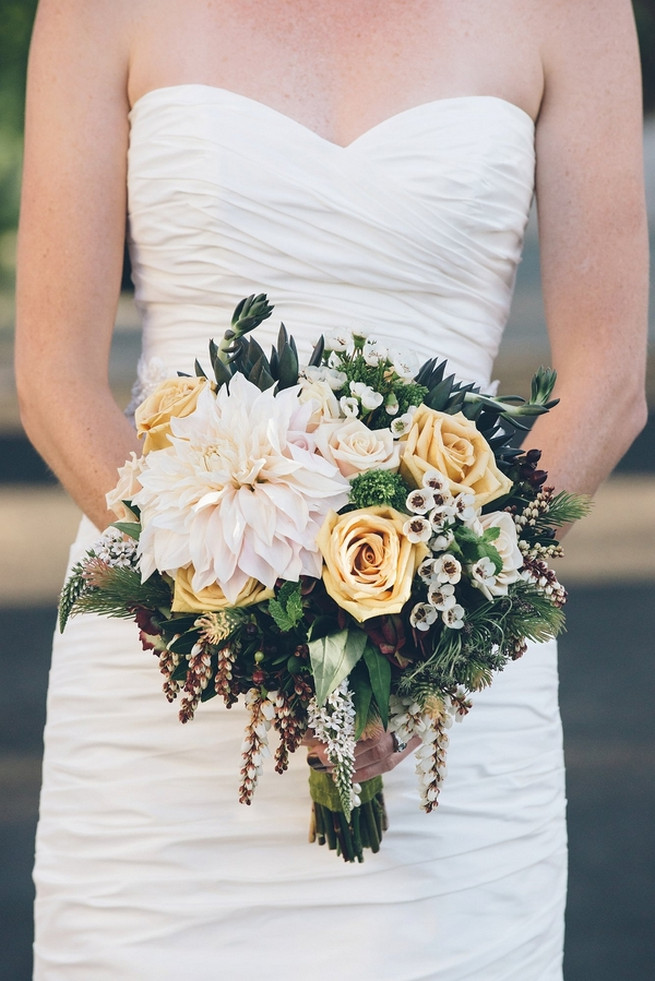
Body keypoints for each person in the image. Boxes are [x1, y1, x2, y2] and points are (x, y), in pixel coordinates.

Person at [15, 1, 648, 978]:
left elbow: (609, 383)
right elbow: (53, 376)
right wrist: (222, 608)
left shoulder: (574, 14)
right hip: (167, 691)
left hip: (447, 696)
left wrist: (436, 630)